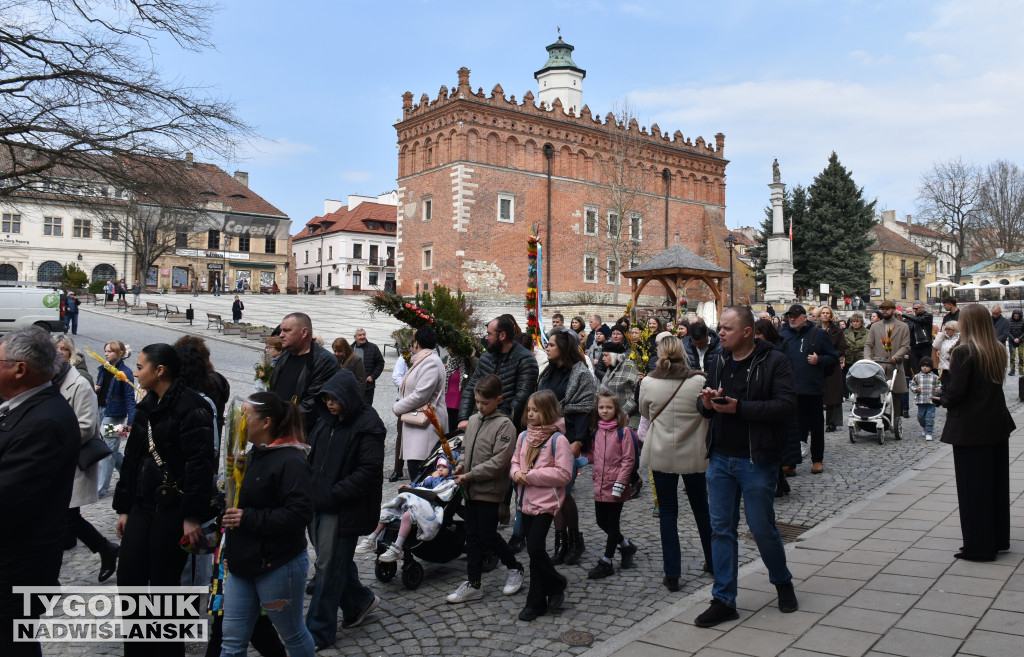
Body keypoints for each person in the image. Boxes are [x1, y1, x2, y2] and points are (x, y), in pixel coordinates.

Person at [694, 307, 799, 628]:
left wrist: (741, 408)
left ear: (747, 332)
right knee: (721, 530)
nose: (719, 333)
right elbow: (703, 405)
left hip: (756, 459)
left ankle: (782, 581)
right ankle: (724, 599)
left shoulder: (774, 361)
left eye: (727, 328)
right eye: (719, 328)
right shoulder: (719, 361)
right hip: (721, 458)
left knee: (761, 527)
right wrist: (707, 403)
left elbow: (786, 405)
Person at [113, 343, 216, 657]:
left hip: (174, 510)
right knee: (129, 578)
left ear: (160, 370)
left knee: (165, 586)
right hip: (143, 505)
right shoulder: (147, 405)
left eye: (141, 366)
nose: (136, 371)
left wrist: (192, 515)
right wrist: (124, 507)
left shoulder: (193, 406)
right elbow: (132, 459)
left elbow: (200, 464)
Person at [0, 329, 80, 657]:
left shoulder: (43, 421)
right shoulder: (22, 408)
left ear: (20, 369)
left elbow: (9, 500)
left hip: (14, 572)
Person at [219, 393, 315, 657]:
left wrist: (246, 518)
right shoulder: (253, 454)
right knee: (231, 643)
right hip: (242, 564)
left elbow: (299, 514)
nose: (238, 420)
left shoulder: (291, 460)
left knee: (292, 635)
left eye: (245, 415)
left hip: (277, 564)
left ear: (266, 423)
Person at [305, 369, 385, 649]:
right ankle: (359, 602)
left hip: (344, 509)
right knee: (334, 563)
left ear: (348, 397)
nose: (329, 403)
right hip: (319, 504)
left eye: (334, 399)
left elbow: (368, 471)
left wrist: (332, 495)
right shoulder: (326, 421)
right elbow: (313, 457)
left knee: (328, 569)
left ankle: (317, 632)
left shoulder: (368, 424)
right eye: (326, 398)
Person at [936, 303, 1014, 562]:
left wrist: (942, 398)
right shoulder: (996, 349)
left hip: (970, 428)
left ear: (968, 324)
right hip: (995, 424)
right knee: (995, 485)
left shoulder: (964, 352)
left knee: (973, 489)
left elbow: (958, 392)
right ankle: (999, 538)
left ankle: (979, 546)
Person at [640, 336, 712, 591]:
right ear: (684, 353)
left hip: (661, 451)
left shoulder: (648, 382)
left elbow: (645, 413)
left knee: (668, 513)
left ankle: (672, 573)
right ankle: (713, 561)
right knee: (701, 509)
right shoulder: (699, 381)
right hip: (693, 452)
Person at [444, 375, 524, 602]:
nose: (480, 407)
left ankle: (514, 567)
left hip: (489, 490)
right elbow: (466, 449)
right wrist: (460, 467)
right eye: (477, 402)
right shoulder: (474, 420)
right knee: (472, 536)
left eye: (484, 403)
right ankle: (474, 582)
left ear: (498, 400)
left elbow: (499, 462)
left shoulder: (505, 425)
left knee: (488, 535)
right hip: (470, 488)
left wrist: (469, 475)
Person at [54, 337, 120, 581]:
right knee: (63, 515)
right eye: (55, 349)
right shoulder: (52, 382)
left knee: (68, 515)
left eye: (64, 349)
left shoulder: (80, 384)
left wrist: (52, 443)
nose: (59, 353)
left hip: (72, 460)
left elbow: (85, 427)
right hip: (57, 462)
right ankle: (98, 547)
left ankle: (105, 548)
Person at [510, 390, 573, 622]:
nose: (531, 414)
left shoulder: (559, 440)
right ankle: (539, 600)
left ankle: (553, 585)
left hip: (546, 503)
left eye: (536, 410)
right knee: (534, 552)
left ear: (547, 411)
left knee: (535, 547)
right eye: (529, 410)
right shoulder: (523, 436)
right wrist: (516, 473)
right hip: (525, 500)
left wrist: (532, 475)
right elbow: (515, 460)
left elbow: (564, 473)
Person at [538, 330, 596, 565]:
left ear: (563, 348)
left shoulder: (580, 374)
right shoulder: (548, 372)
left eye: (551, 344)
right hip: (545, 438)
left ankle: (574, 539)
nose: (548, 348)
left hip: (569, 437)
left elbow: (585, 408)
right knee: (553, 492)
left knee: (563, 492)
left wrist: (579, 442)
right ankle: (560, 541)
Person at [357, 457, 456, 563]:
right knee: (387, 510)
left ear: (450, 469)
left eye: (444, 467)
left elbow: (440, 492)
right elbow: (419, 486)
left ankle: (397, 548)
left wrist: (434, 478)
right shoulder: (429, 478)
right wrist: (410, 486)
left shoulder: (448, 482)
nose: (440, 470)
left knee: (407, 516)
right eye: (438, 467)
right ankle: (371, 538)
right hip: (413, 502)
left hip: (428, 505)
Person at [583, 390, 637, 580]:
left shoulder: (624, 432)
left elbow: (628, 460)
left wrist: (621, 483)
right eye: (601, 407)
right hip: (600, 483)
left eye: (609, 407)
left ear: (616, 409)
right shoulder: (596, 431)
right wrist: (581, 459)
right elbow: (594, 455)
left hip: (616, 485)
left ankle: (607, 561)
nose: (605, 410)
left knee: (612, 524)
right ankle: (626, 545)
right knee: (601, 521)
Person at [779, 305, 837, 474]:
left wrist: (820, 359)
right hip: (790, 389)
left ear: (805, 317)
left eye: (795, 316)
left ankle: (817, 459)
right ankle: (791, 462)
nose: (792, 319)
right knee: (792, 427)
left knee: (816, 426)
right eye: (790, 316)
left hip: (812, 389)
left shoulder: (819, 334)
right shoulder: (784, 336)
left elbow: (833, 357)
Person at [459, 315, 539, 432]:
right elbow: (471, 388)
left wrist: (497, 422)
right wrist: (464, 418)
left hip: (510, 429)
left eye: (490, 334)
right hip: (483, 424)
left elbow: (521, 398)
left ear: (502, 335)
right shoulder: (486, 358)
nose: (486, 338)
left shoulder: (525, 360)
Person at [268, 312, 339, 435]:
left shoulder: (324, 361)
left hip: (301, 435)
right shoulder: (285, 355)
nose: (281, 335)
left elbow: (313, 405)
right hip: (277, 431)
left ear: (304, 332)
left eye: (287, 330)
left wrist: (277, 421)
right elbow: (273, 389)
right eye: (281, 330)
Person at [393, 326, 448, 481]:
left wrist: (397, 407)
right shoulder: (423, 360)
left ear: (417, 344)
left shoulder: (431, 362)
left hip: (426, 427)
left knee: (421, 474)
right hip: (418, 427)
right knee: (415, 471)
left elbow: (420, 395)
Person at [95, 340, 137, 497]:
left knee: (107, 450)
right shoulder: (103, 369)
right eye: (105, 351)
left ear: (120, 353)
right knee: (110, 447)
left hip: (114, 415)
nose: (106, 354)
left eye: (110, 351)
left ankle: (100, 489)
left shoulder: (125, 373)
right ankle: (129, 473)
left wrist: (131, 423)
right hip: (101, 412)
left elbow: (130, 399)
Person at [864, 300, 911, 419]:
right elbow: (868, 344)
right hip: (879, 364)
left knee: (895, 394)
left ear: (894, 310)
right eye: (882, 309)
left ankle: (895, 418)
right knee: (875, 393)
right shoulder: (875, 326)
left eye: (887, 308)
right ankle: (876, 417)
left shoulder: (903, 326)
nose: (884, 311)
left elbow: (905, 346)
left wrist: (896, 357)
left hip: (895, 365)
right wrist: (867, 358)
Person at [817, 306, 846, 432]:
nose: (825, 315)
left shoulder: (836, 330)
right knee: (817, 394)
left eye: (827, 313)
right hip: (817, 364)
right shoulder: (814, 329)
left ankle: (831, 422)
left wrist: (832, 356)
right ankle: (816, 422)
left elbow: (842, 348)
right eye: (823, 313)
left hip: (832, 365)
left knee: (832, 394)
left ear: (831, 315)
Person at [599, 341, 639, 421]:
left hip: (629, 418)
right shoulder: (610, 368)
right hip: (609, 417)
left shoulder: (629, 367)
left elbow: (637, 394)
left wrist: (622, 412)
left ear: (614, 356)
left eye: (606, 355)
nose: (603, 358)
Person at [353, 328, 385, 406]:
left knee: (366, 408)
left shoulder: (373, 348)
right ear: (355, 337)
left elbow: (380, 363)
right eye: (360, 335)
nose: (362, 337)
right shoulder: (350, 349)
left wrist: (373, 376)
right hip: (353, 386)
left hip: (367, 386)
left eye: (364, 334)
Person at [910, 357, 939, 441]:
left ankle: (929, 432)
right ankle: (924, 427)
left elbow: (939, 385)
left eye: (927, 366)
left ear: (931, 367)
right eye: (922, 366)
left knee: (930, 417)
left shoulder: (935, 377)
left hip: (931, 401)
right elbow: (912, 385)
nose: (924, 368)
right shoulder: (917, 376)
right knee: (920, 416)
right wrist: (916, 389)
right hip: (921, 401)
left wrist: (938, 389)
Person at [905, 302, 934, 376]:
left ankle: (926, 380)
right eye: (913, 309)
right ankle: (917, 381)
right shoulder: (913, 319)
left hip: (925, 345)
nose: (914, 310)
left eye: (916, 309)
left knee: (925, 365)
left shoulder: (928, 316)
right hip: (914, 345)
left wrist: (903, 314)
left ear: (923, 308)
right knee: (915, 365)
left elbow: (919, 320)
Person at [843, 313, 869, 397]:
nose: (855, 323)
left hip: (861, 360)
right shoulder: (846, 333)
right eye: (853, 321)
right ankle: (851, 397)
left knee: (860, 380)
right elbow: (842, 346)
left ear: (861, 322)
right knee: (850, 380)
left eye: (857, 321)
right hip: (849, 360)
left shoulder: (867, 333)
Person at [1008, 309, 1024, 375]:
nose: (1016, 317)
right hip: (1012, 341)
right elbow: (1007, 331)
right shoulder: (1009, 321)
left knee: (1021, 356)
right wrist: (1013, 338)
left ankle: (1021, 369)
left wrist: (1019, 338)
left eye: (1017, 316)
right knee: (1012, 356)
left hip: (1021, 341)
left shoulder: (1023, 321)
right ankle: (1012, 370)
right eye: (1015, 316)